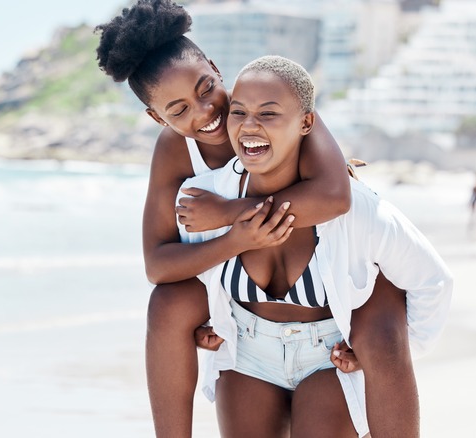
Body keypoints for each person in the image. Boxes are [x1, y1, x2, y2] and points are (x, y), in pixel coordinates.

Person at [94, 1, 374, 436]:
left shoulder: (267, 99)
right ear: (157, 118)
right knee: (167, 303)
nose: (204, 113)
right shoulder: (175, 150)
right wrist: (234, 239)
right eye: (178, 110)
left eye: (206, 89)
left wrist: (227, 213)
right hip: (236, 292)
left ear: (215, 67)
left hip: (316, 291)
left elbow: (335, 197)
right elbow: (158, 264)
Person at [176, 56, 453, 437]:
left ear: (306, 122)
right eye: (239, 112)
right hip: (248, 356)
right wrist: (205, 322)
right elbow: (183, 272)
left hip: (330, 358)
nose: (250, 125)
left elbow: (432, 281)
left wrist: (394, 353)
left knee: (385, 308)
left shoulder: (356, 210)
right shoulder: (208, 199)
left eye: (269, 114)